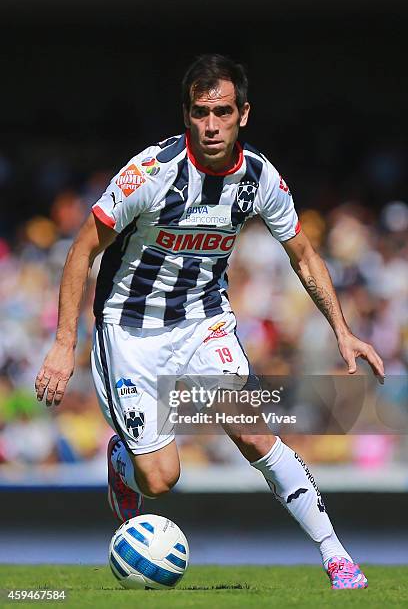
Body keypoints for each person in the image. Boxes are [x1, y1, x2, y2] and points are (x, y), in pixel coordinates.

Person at [35, 54, 384, 590]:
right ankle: (124, 463)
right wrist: (64, 344)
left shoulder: (260, 178)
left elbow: (305, 256)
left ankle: (337, 557)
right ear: (186, 115)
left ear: (243, 114)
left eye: (223, 111)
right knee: (161, 478)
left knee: (257, 435)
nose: (212, 124)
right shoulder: (152, 174)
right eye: (201, 112)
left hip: (204, 323)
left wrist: (342, 329)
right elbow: (82, 249)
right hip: (129, 332)